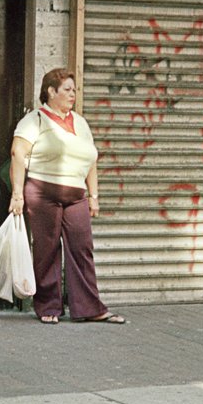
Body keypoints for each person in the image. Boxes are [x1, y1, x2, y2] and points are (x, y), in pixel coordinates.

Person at [8, 68, 123, 325]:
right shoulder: (34, 120)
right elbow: (18, 154)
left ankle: (89, 307)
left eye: (74, 90)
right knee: (47, 250)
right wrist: (18, 194)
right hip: (42, 192)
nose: (73, 94)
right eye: (67, 89)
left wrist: (94, 195)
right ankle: (49, 306)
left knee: (82, 248)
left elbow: (91, 159)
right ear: (51, 91)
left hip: (76, 195)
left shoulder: (80, 123)